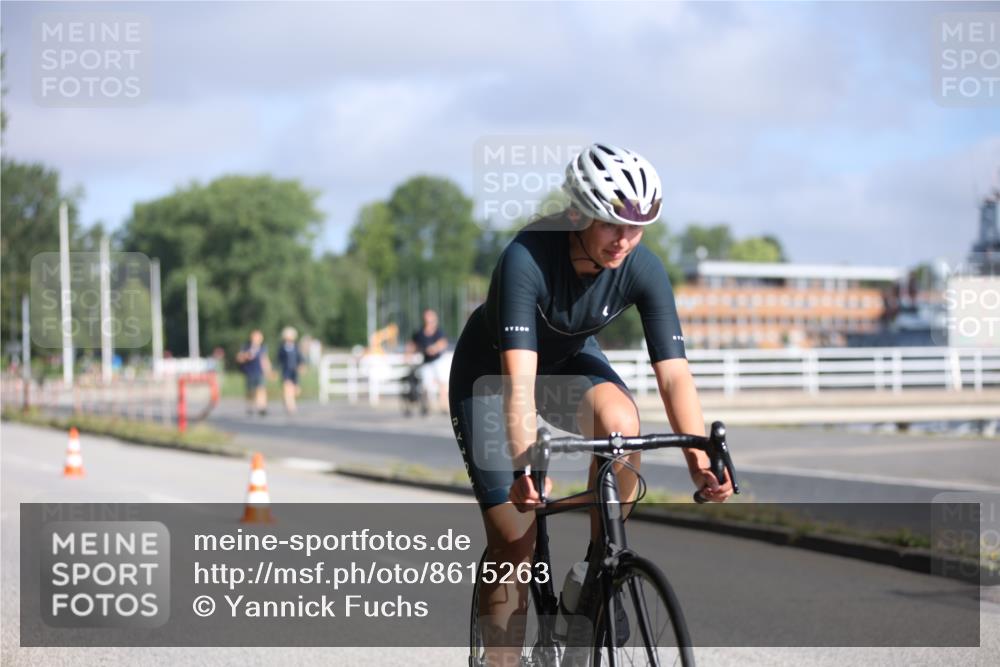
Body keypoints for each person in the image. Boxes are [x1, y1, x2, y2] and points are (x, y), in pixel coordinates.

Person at [449, 143, 734, 661]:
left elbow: (673, 376)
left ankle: (594, 578)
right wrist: (524, 464)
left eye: (637, 226)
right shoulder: (526, 257)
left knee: (623, 423)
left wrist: (699, 462)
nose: (624, 240)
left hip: (568, 364)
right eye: (611, 224)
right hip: (493, 376)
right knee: (515, 541)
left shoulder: (641, 267)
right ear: (578, 211)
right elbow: (518, 384)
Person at [406, 309, 449, 414]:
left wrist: (435, 348)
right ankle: (427, 406)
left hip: (438, 360)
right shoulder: (420, 332)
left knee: (442, 384)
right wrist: (408, 354)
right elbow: (412, 344)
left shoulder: (438, 331)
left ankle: (444, 406)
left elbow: (443, 343)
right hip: (426, 362)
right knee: (426, 385)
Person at [236, 329, 271, 416]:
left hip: (260, 372)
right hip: (249, 372)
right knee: (250, 391)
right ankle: (250, 405)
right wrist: (246, 356)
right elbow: (239, 358)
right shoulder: (246, 347)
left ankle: (261, 407)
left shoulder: (263, 348)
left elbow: (265, 360)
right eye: (255, 337)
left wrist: (268, 370)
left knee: (261, 389)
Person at [277, 326, 303, 415]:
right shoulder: (282, 348)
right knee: (287, 388)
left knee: (295, 391)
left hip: (294, 371)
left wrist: (301, 366)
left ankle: (287, 401)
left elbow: (300, 358)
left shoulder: (296, 347)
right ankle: (290, 406)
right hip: (286, 371)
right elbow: (279, 360)